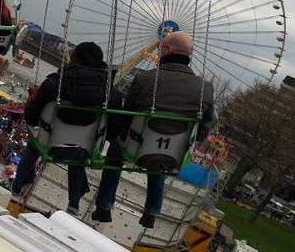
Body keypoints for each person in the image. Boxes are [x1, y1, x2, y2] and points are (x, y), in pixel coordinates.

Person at [91, 31, 214, 228]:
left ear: (169, 50)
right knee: (163, 157)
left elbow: (127, 116)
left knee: (115, 151)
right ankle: (151, 211)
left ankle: (104, 205)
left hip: (138, 148)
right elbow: (203, 130)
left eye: (161, 48)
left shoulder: (145, 79)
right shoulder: (205, 88)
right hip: (173, 155)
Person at [11, 42, 122, 215]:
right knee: (79, 150)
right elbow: (114, 131)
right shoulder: (112, 95)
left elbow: (31, 117)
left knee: (35, 143)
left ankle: (17, 187)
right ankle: (74, 204)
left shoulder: (55, 83)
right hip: (84, 150)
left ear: (75, 58)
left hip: (50, 145)